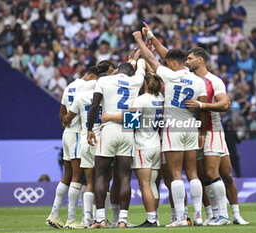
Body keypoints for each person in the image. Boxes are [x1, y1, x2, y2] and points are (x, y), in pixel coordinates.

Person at [133, 30, 208, 227]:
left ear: (173, 63)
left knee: (176, 173)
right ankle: (198, 215)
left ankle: (182, 217)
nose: (167, 64)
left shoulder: (169, 75)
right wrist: (202, 132)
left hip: (173, 128)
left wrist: (141, 40)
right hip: (191, 127)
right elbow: (203, 108)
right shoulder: (198, 81)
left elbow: (150, 57)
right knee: (192, 172)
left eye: (168, 62)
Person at [185, 47, 249, 225]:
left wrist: (202, 105)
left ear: (200, 60)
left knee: (225, 175)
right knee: (203, 175)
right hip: (193, 132)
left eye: (190, 59)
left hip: (213, 131)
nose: (187, 62)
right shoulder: (186, 79)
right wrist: (150, 38)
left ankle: (233, 214)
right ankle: (213, 214)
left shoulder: (214, 81)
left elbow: (224, 104)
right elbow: (169, 57)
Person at [45, 65, 107, 229]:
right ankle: (71, 218)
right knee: (79, 177)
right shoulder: (90, 89)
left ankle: (55, 214)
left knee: (68, 176)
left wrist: (67, 130)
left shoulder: (70, 86)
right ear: (94, 78)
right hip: (80, 134)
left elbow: (62, 114)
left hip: (68, 134)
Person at [87, 58, 145, 228]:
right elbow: (141, 66)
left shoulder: (104, 80)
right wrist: (138, 58)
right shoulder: (135, 81)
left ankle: (100, 219)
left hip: (109, 129)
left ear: (118, 70)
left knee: (100, 174)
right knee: (125, 176)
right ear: (130, 72)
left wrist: (90, 128)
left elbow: (95, 105)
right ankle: (122, 220)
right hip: (127, 130)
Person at [101, 73, 165, 227]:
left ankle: (151, 220)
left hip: (143, 145)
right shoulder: (161, 98)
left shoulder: (141, 100)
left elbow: (130, 122)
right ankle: (155, 218)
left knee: (144, 184)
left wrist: (109, 117)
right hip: (156, 143)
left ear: (145, 84)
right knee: (152, 184)